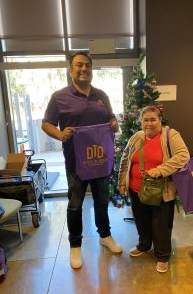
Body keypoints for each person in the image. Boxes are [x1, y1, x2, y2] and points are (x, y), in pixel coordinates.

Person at [42, 51, 122, 270]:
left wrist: (114, 122)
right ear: (71, 70)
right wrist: (60, 135)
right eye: (79, 65)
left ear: (92, 69)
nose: (84, 69)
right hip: (76, 163)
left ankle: (105, 236)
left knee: (102, 202)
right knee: (75, 204)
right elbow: (46, 123)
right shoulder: (59, 97)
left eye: (87, 65)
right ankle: (75, 245)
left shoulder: (101, 95)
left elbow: (111, 118)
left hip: (101, 162)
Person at [118, 106, 189, 273]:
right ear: (140, 121)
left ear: (160, 120)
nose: (149, 123)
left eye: (153, 119)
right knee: (141, 220)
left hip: (161, 191)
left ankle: (163, 256)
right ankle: (143, 245)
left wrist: (160, 170)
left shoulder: (170, 135)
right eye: (145, 120)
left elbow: (183, 155)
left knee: (161, 224)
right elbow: (125, 160)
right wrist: (122, 182)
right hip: (136, 190)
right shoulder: (136, 137)